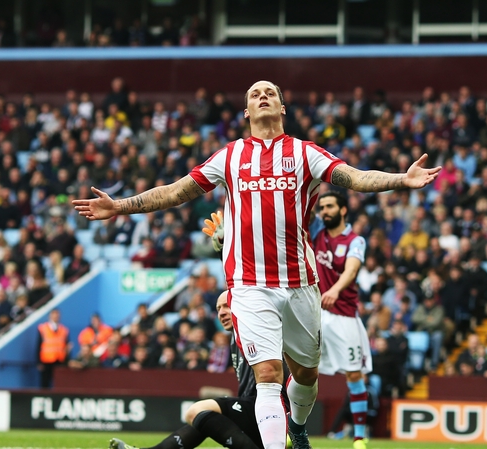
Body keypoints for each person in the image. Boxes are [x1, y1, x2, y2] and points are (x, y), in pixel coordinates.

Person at [75, 80, 440, 449]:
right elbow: (174, 191)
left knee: (306, 376)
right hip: (249, 285)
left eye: (270, 93)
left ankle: (297, 428)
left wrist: (401, 180)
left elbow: (356, 178)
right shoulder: (229, 156)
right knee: (267, 373)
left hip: (300, 284)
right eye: (254, 94)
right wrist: (120, 206)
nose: (262, 96)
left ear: (282, 108)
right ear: (246, 112)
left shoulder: (304, 153)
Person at [110, 292, 271, 449]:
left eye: (227, 306)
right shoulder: (234, 339)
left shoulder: (255, 332)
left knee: (197, 411)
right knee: (203, 419)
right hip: (251, 408)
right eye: (218, 308)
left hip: (266, 407)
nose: (221, 313)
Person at [310, 191, 371, 448]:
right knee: (300, 369)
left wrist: (335, 289)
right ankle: (292, 429)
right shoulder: (316, 232)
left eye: (330, 206)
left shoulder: (355, 240)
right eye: (322, 207)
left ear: (343, 209)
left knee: (354, 375)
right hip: (315, 313)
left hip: (344, 316)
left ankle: (359, 436)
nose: (325, 211)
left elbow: (352, 268)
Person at [37, 308, 70, 388]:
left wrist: (67, 360)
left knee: (60, 384)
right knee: (45, 383)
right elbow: (38, 345)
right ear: (50, 316)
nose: (56, 316)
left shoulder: (64, 330)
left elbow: (67, 346)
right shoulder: (43, 328)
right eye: (53, 314)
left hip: (60, 360)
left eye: (57, 314)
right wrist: (38, 361)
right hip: (46, 360)